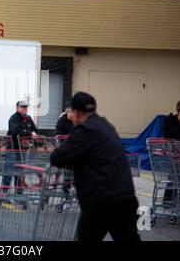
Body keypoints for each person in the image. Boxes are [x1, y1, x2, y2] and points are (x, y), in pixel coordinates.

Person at [50, 92, 140, 242]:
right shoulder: (106, 125)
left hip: (101, 201)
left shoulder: (85, 130)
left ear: (77, 113)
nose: (70, 116)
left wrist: (58, 152)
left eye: (71, 112)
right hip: (126, 197)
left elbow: (58, 157)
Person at [1, 100, 38, 196]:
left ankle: (19, 193)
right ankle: (4, 193)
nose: (25, 109)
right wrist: (29, 133)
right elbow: (15, 132)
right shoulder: (13, 118)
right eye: (23, 107)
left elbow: (34, 128)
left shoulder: (28, 118)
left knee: (20, 172)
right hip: (13, 149)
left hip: (23, 149)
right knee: (8, 171)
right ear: (18, 108)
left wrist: (32, 132)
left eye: (26, 107)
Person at [162, 100, 180, 206]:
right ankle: (168, 200)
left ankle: (176, 200)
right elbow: (170, 133)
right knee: (173, 176)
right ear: (179, 109)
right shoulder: (169, 119)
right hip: (173, 153)